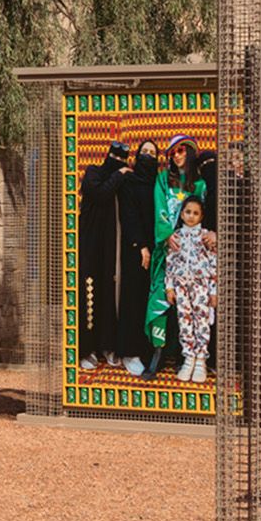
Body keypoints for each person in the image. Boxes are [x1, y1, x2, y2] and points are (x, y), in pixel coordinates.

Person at [141, 134, 211, 378]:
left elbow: (203, 216)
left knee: (193, 309)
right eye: (172, 153)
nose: (177, 156)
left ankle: (191, 357)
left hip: (194, 259)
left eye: (181, 151)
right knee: (161, 300)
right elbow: (160, 208)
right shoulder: (163, 179)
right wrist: (167, 235)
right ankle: (158, 354)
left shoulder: (200, 184)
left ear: (189, 152)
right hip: (167, 253)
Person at [76, 141, 129, 370]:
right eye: (114, 159)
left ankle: (107, 346)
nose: (117, 163)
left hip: (111, 248)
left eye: (121, 161)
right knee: (89, 295)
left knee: (109, 296)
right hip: (90, 246)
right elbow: (100, 194)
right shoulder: (93, 173)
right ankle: (86, 348)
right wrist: (119, 174)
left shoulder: (122, 181)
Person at [113, 140, 161, 376]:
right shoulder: (130, 181)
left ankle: (147, 350)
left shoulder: (159, 182)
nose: (148, 156)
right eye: (144, 152)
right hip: (136, 249)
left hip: (158, 250)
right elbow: (128, 214)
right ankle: (129, 352)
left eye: (152, 153)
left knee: (149, 299)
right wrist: (141, 246)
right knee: (132, 298)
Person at [165, 196, 219, 383]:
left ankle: (200, 361)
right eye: (188, 212)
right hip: (181, 287)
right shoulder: (176, 236)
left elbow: (213, 264)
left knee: (201, 322)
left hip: (201, 286)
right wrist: (169, 287)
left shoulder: (205, 236)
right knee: (185, 322)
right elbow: (170, 263)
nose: (191, 216)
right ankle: (188, 359)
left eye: (195, 213)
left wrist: (213, 291)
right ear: (181, 214)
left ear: (201, 216)